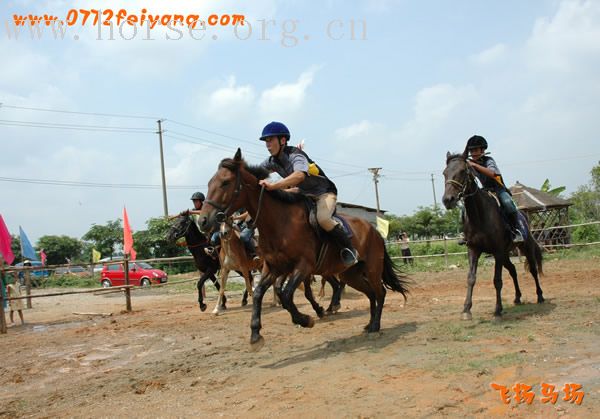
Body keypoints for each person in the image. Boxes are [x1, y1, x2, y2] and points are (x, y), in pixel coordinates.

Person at [257, 121, 358, 266]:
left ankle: (349, 249)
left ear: (282, 140)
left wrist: (274, 186)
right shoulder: (272, 161)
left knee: (323, 219)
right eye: (266, 141)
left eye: (270, 140)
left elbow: (299, 176)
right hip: (302, 193)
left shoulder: (296, 155)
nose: (267, 145)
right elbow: (256, 173)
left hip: (323, 193)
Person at [466, 135, 524, 243]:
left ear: (482, 150)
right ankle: (467, 233)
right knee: (467, 206)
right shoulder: (471, 163)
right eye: (471, 150)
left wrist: (474, 165)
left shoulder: (489, 161)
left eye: (475, 150)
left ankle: (516, 230)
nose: (473, 153)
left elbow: (493, 174)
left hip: (499, 189)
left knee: (508, 204)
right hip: (485, 190)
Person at [179, 192, 219, 258]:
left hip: (211, 232)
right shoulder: (193, 210)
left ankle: (216, 254)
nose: (194, 203)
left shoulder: (206, 208)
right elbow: (183, 214)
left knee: (214, 240)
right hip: (201, 234)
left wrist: (190, 212)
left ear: (201, 201)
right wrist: (173, 217)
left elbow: (202, 212)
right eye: (193, 202)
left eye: (196, 201)